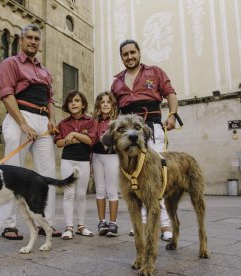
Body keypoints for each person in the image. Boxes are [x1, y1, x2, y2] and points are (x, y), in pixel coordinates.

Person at [0, 24, 61, 240]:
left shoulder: (44, 71)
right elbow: (7, 94)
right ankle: (8, 224)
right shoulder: (10, 63)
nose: (33, 41)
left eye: (36, 39)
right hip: (20, 116)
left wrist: (51, 120)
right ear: (22, 40)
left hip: (43, 121)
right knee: (12, 171)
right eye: (30, 38)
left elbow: (49, 99)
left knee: (48, 173)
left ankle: (45, 223)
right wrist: (23, 123)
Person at [111, 39, 178, 241]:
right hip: (128, 134)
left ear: (139, 53)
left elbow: (171, 94)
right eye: (125, 54)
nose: (130, 57)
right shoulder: (116, 82)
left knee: (158, 176)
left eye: (133, 52)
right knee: (134, 176)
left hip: (151, 128)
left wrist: (172, 114)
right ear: (121, 57)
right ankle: (142, 224)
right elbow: (115, 111)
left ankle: (164, 225)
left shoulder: (155, 72)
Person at [55, 90, 96, 240]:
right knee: (69, 194)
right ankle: (68, 227)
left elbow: (91, 141)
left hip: (83, 161)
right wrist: (69, 140)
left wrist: (73, 135)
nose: (74, 103)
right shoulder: (63, 123)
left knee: (81, 195)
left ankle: (81, 226)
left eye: (77, 100)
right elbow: (59, 143)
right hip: (68, 160)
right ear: (67, 105)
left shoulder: (90, 121)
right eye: (71, 101)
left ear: (83, 104)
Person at [92, 92, 120, 237]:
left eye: (108, 102)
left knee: (112, 191)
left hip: (112, 157)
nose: (105, 104)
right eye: (102, 102)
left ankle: (113, 224)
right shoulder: (94, 121)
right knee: (100, 190)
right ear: (98, 105)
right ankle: (102, 222)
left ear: (113, 105)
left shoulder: (116, 121)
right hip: (97, 157)